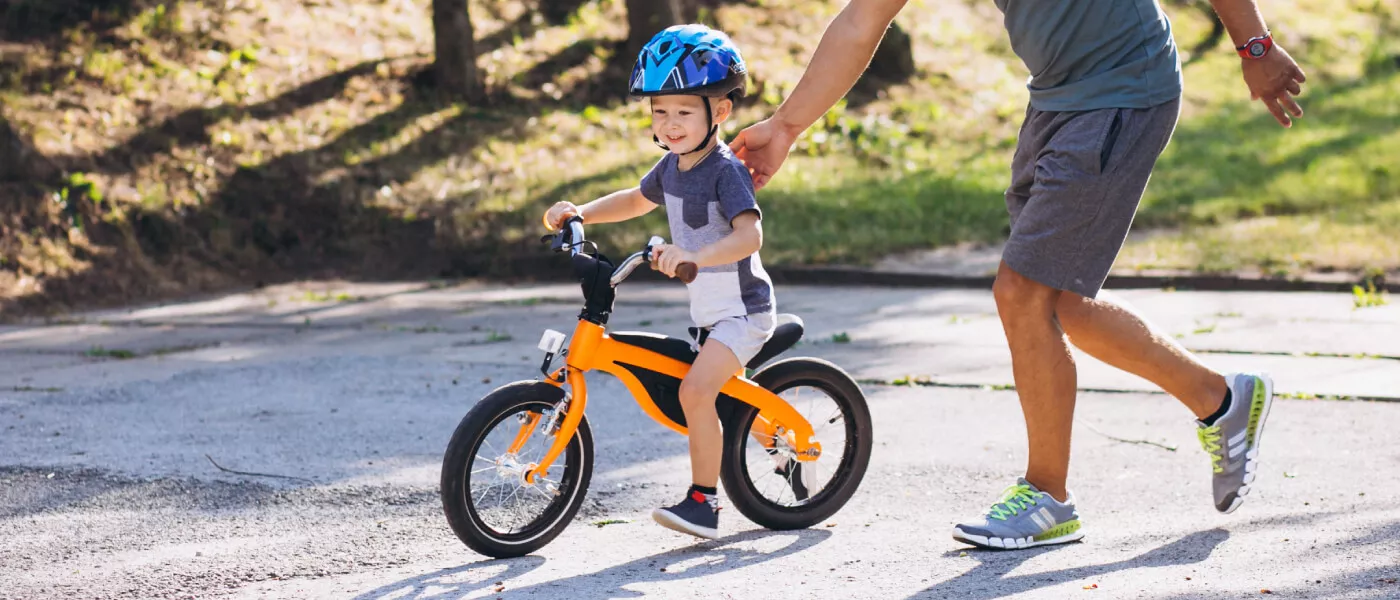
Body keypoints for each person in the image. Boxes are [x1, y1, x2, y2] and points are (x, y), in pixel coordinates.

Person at [728, 0, 1307, 549]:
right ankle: (1220, 400)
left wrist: (1254, 48)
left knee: (1022, 292)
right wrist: (786, 127)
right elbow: (862, 20)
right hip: (1058, 100)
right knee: (1060, 305)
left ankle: (1048, 497)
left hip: (1124, 89)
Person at [543, 24, 776, 541]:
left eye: (683, 111)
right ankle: (761, 439)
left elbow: (750, 237)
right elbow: (634, 199)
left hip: (744, 311)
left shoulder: (724, 171)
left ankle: (704, 504)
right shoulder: (672, 166)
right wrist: (581, 212)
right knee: (707, 395)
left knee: (695, 393)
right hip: (709, 314)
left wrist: (694, 254)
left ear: (719, 111)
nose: (670, 124)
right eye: (659, 111)